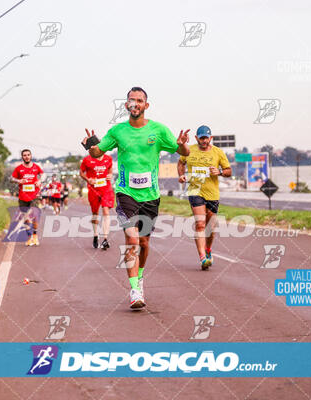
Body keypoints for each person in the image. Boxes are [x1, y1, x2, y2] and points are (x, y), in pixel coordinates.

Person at [82, 86, 190, 309]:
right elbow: (97, 153)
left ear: (146, 105)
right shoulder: (118, 132)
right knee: (131, 238)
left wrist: (181, 144)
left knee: (144, 241)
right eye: (132, 100)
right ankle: (134, 289)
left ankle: (139, 276)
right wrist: (90, 145)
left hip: (150, 195)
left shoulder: (159, 130)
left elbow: (184, 152)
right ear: (126, 105)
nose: (136, 104)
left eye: (140, 100)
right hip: (125, 192)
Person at [177, 125, 231, 270]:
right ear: (196, 138)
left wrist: (219, 172)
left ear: (210, 138)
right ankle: (202, 258)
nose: (204, 141)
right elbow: (181, 162)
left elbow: (228, 171)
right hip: (195, 190)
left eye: (206, 138)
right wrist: (181, 175)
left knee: (210, 227)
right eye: (201, 138)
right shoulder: (190, 150)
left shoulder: (218, 152)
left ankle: (208, 249)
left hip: (212, 193)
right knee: (200, 224)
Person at [80, 152, 114, 250]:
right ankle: (95, 235)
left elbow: (110, 168)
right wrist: (88, 179)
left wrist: (110, 174)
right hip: (93, 189)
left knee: (106, 210)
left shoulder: (108, 158)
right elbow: (81, 173)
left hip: (106, 189)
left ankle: (105, 239)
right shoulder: (87, 159)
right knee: (95, 213)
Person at [10, 149, 43, 246]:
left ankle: (35, 235)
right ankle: (29, 237)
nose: (27, 156)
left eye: (28, 155)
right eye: (24, 155)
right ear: (22, 157)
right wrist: (18, 181)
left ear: (31, 156)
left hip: (34, 195)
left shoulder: (36, 167)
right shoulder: (18, 168)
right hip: (23, 196)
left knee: (34, 215)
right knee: (26, 218)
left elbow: (43, 175)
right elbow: (12, 178)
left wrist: (40, 181)